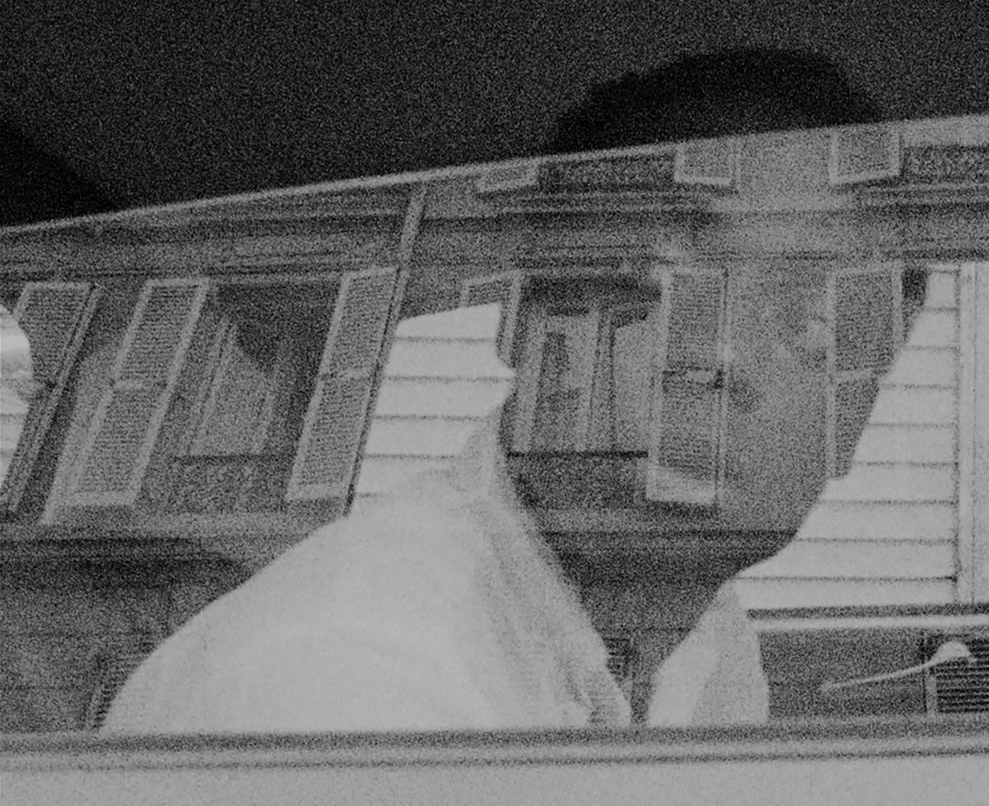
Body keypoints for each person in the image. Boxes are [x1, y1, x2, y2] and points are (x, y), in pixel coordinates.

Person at [101, 48, 886, 733]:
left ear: (862, 405)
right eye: (653, 287)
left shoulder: (705, 639)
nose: (719, 356)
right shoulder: (349, 679)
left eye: (808, 316)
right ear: (521, 317)